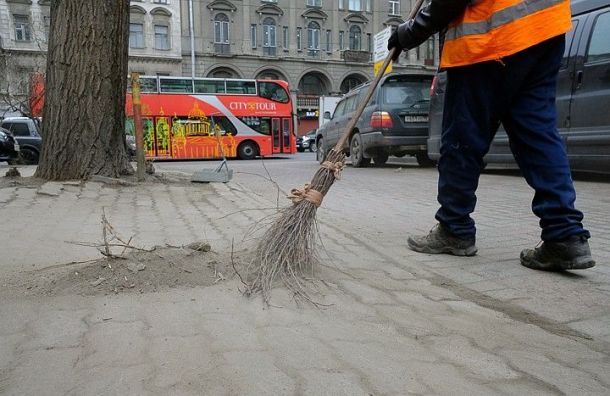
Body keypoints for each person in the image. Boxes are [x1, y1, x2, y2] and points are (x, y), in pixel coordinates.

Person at [388, 0, 595, 271]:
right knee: (537, 134)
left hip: (491, 37)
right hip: (545, 27)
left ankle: (454, 228)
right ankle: (565, 235)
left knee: (462, 138)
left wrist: (411, 32)